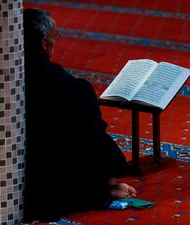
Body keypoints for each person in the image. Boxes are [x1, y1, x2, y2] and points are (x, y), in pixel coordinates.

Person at [23, 8, 137, 222]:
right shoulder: (68, 87)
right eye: (55, 36)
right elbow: (94, 138)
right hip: (44, 186)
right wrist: (114, 171)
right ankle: (96, 194)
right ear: (44, 43)